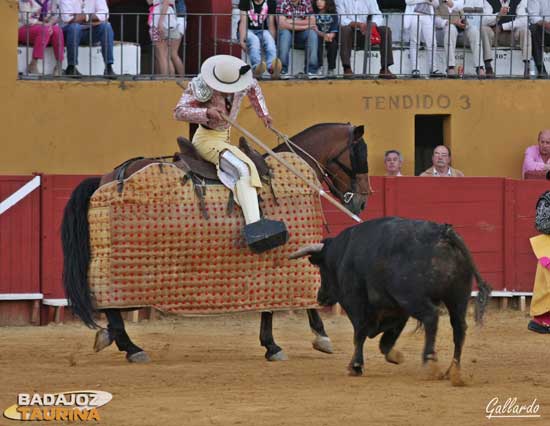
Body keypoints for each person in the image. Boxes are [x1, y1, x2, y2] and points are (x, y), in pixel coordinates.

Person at [173, 55, 286, 252]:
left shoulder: (243, 81)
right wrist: (205, 114)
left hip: (224, 137)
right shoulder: (201, 84)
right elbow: (178, 111)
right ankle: (255, 228)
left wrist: (264, 115)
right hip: (206, 140)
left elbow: (254, 89)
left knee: (247, 167)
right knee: (242, 168)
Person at [336, 0, 396, 79]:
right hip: (351, 33)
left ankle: (384, 69)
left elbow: (378, 15)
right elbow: (341, 19)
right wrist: (358, 25)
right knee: (344, 29)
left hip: (367, 31)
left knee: (386, 30)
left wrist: (371, 25)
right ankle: (347, 69)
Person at [59, 0, 116, 77]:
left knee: (106, 26)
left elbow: (105, 15)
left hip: (89, 33)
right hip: (70, 34)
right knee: (75, 27)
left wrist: (85, 17)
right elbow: (67, 19)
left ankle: (109, 67)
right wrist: (94, 20)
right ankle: (71, 67)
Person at [481, 0, 531, 78]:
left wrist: (503, 27)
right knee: (484, 29)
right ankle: (488, 66)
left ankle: (527, 67)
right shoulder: (489, 1)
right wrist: (498, 15)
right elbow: (484, 20)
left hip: (511, 34)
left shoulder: (519, 1)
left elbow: (524, 21)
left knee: (525, 31)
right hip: (495, 35)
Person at [18, 0, 65, 76]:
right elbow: (27, 20)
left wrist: (50, 23)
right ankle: (33, 65)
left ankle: (59, 65)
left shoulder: (51, 1)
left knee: (57, 30)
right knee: (44, 30)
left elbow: (54, 16)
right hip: (24, 28)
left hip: (42, 27)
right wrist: (45, 25)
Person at [441, 0, 486, 77]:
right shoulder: (437, 2)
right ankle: (450, 67)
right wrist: (453, 22)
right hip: (444, 30)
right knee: (450, 29)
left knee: (474, 30)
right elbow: (436, 20)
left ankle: (480, 67)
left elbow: (459, 5)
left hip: (461, 28)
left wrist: (462, 22)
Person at [276, 0, 320, 79]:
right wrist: (305, 26)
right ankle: (283, 70)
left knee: (312, 34)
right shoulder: (282, 2)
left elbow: (312, 21)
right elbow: (281, 24)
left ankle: (311, 71)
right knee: (285, 34)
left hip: (301, 34)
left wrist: (290, 21)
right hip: (287, 33)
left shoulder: (306, 2)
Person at [238, 0, 282, 79]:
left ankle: (272, 68)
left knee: (269, 39)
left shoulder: (270, 2)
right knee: (254, 40)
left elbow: (271, 24)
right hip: (247, 30)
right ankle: (257, 68)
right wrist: (241, 41)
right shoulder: (245, 1)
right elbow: (243, 22)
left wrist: (272, 41)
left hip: (262, 30)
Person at [528, 191, 550, 333]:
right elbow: (541, 224)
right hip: (549, 245)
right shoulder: (547, 199)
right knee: (547, 285)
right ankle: (544, 320)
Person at [405, 0, 445, 77]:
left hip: (428, 16)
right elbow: (408, 1)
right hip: (414, 14)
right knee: (414, 42)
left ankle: (433, 69)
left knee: (432, 43)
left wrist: (428, 2)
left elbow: (436, 4)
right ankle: (415, 68)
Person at [147, 0, 185, 76]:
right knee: (167, 55)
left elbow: (165, 2)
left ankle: (165, 80)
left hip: (159, 20)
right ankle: (171, 80)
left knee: (162, 55)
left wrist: (160, 22)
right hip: (169, 20)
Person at [313, 0, 338, 77]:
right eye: (317, 0)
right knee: (317, 43)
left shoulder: (333, 14)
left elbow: (334, 29)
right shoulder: (314, 13)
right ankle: (319, 67)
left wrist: (331, 35)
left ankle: (331, 69)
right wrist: (323, 35)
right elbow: (314, 28)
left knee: (333, 44)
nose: (319, 2)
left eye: (322, 0)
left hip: (329, 36)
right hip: (318, 35)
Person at [528, 0, 550, 79]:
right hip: (543, 30)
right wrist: (546, 24)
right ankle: (541, 68)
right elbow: (533, 17)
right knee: (533, 29)